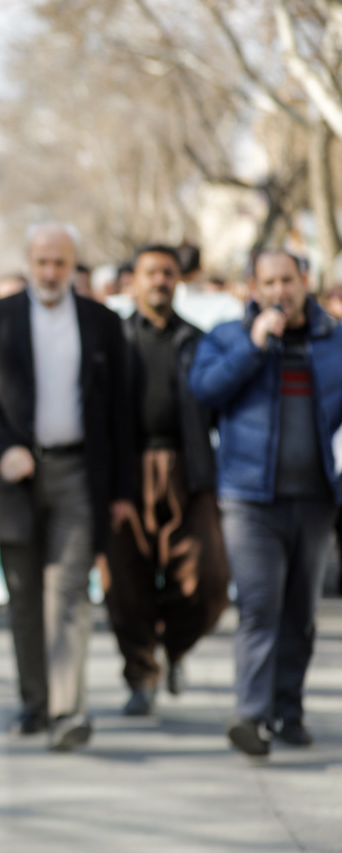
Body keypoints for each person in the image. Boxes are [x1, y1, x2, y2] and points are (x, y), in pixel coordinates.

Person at [0, 222, 133, 751]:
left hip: (79, 475)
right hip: (15, 478)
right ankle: (35, 702)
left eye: (61, 263)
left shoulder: (102, 323)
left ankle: (68, 710)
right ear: (30, 263)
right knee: (25, 596)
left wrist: (122, 489)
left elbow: (120, 408)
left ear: (74, 266)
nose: (51, 273)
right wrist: (3, 445)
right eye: (42, 263)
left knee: (70, 593)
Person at [189, 249, 342, 756]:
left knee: (300, 612)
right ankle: (251, 716)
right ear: (253, 288)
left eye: (288, 280)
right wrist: (253, 351)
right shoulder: (230, 338)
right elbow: (205, 389)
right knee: (259, 607)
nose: (280, 291)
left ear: (306, 281)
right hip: (249, 499)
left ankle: (288, 711)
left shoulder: (334, 341)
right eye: (268, 282)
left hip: (317, 499)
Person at [106, 245, 229, 717]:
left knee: (209, 580)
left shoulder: (199, 341)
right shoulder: (115, 339)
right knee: (125, 583)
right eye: (151, 272)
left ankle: (175, 648)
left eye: (168, 273)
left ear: (179, 280)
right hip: (126, 472)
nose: (160, 280)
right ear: (133, 280)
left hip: (190, 470)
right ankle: (141, 676)